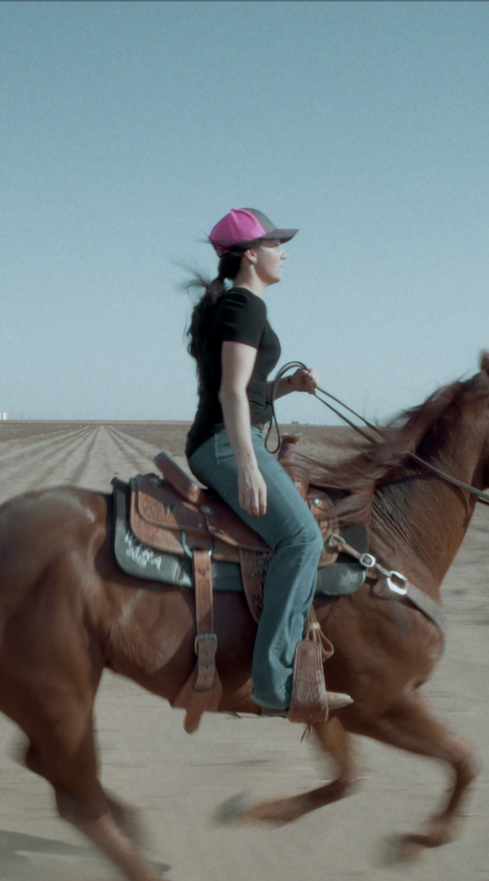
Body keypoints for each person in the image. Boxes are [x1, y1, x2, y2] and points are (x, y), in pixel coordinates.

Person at [184, 208, 351, 719]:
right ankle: (275, 685)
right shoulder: (245, 305)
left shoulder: (238, 304)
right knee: (302, 539)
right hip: (226, 444)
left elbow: (250, 391)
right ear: (251, 255)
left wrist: (288, 386)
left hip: (228, 437)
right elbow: (230, 392)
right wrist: (248, 465)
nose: (284, 253)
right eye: (276, 244)